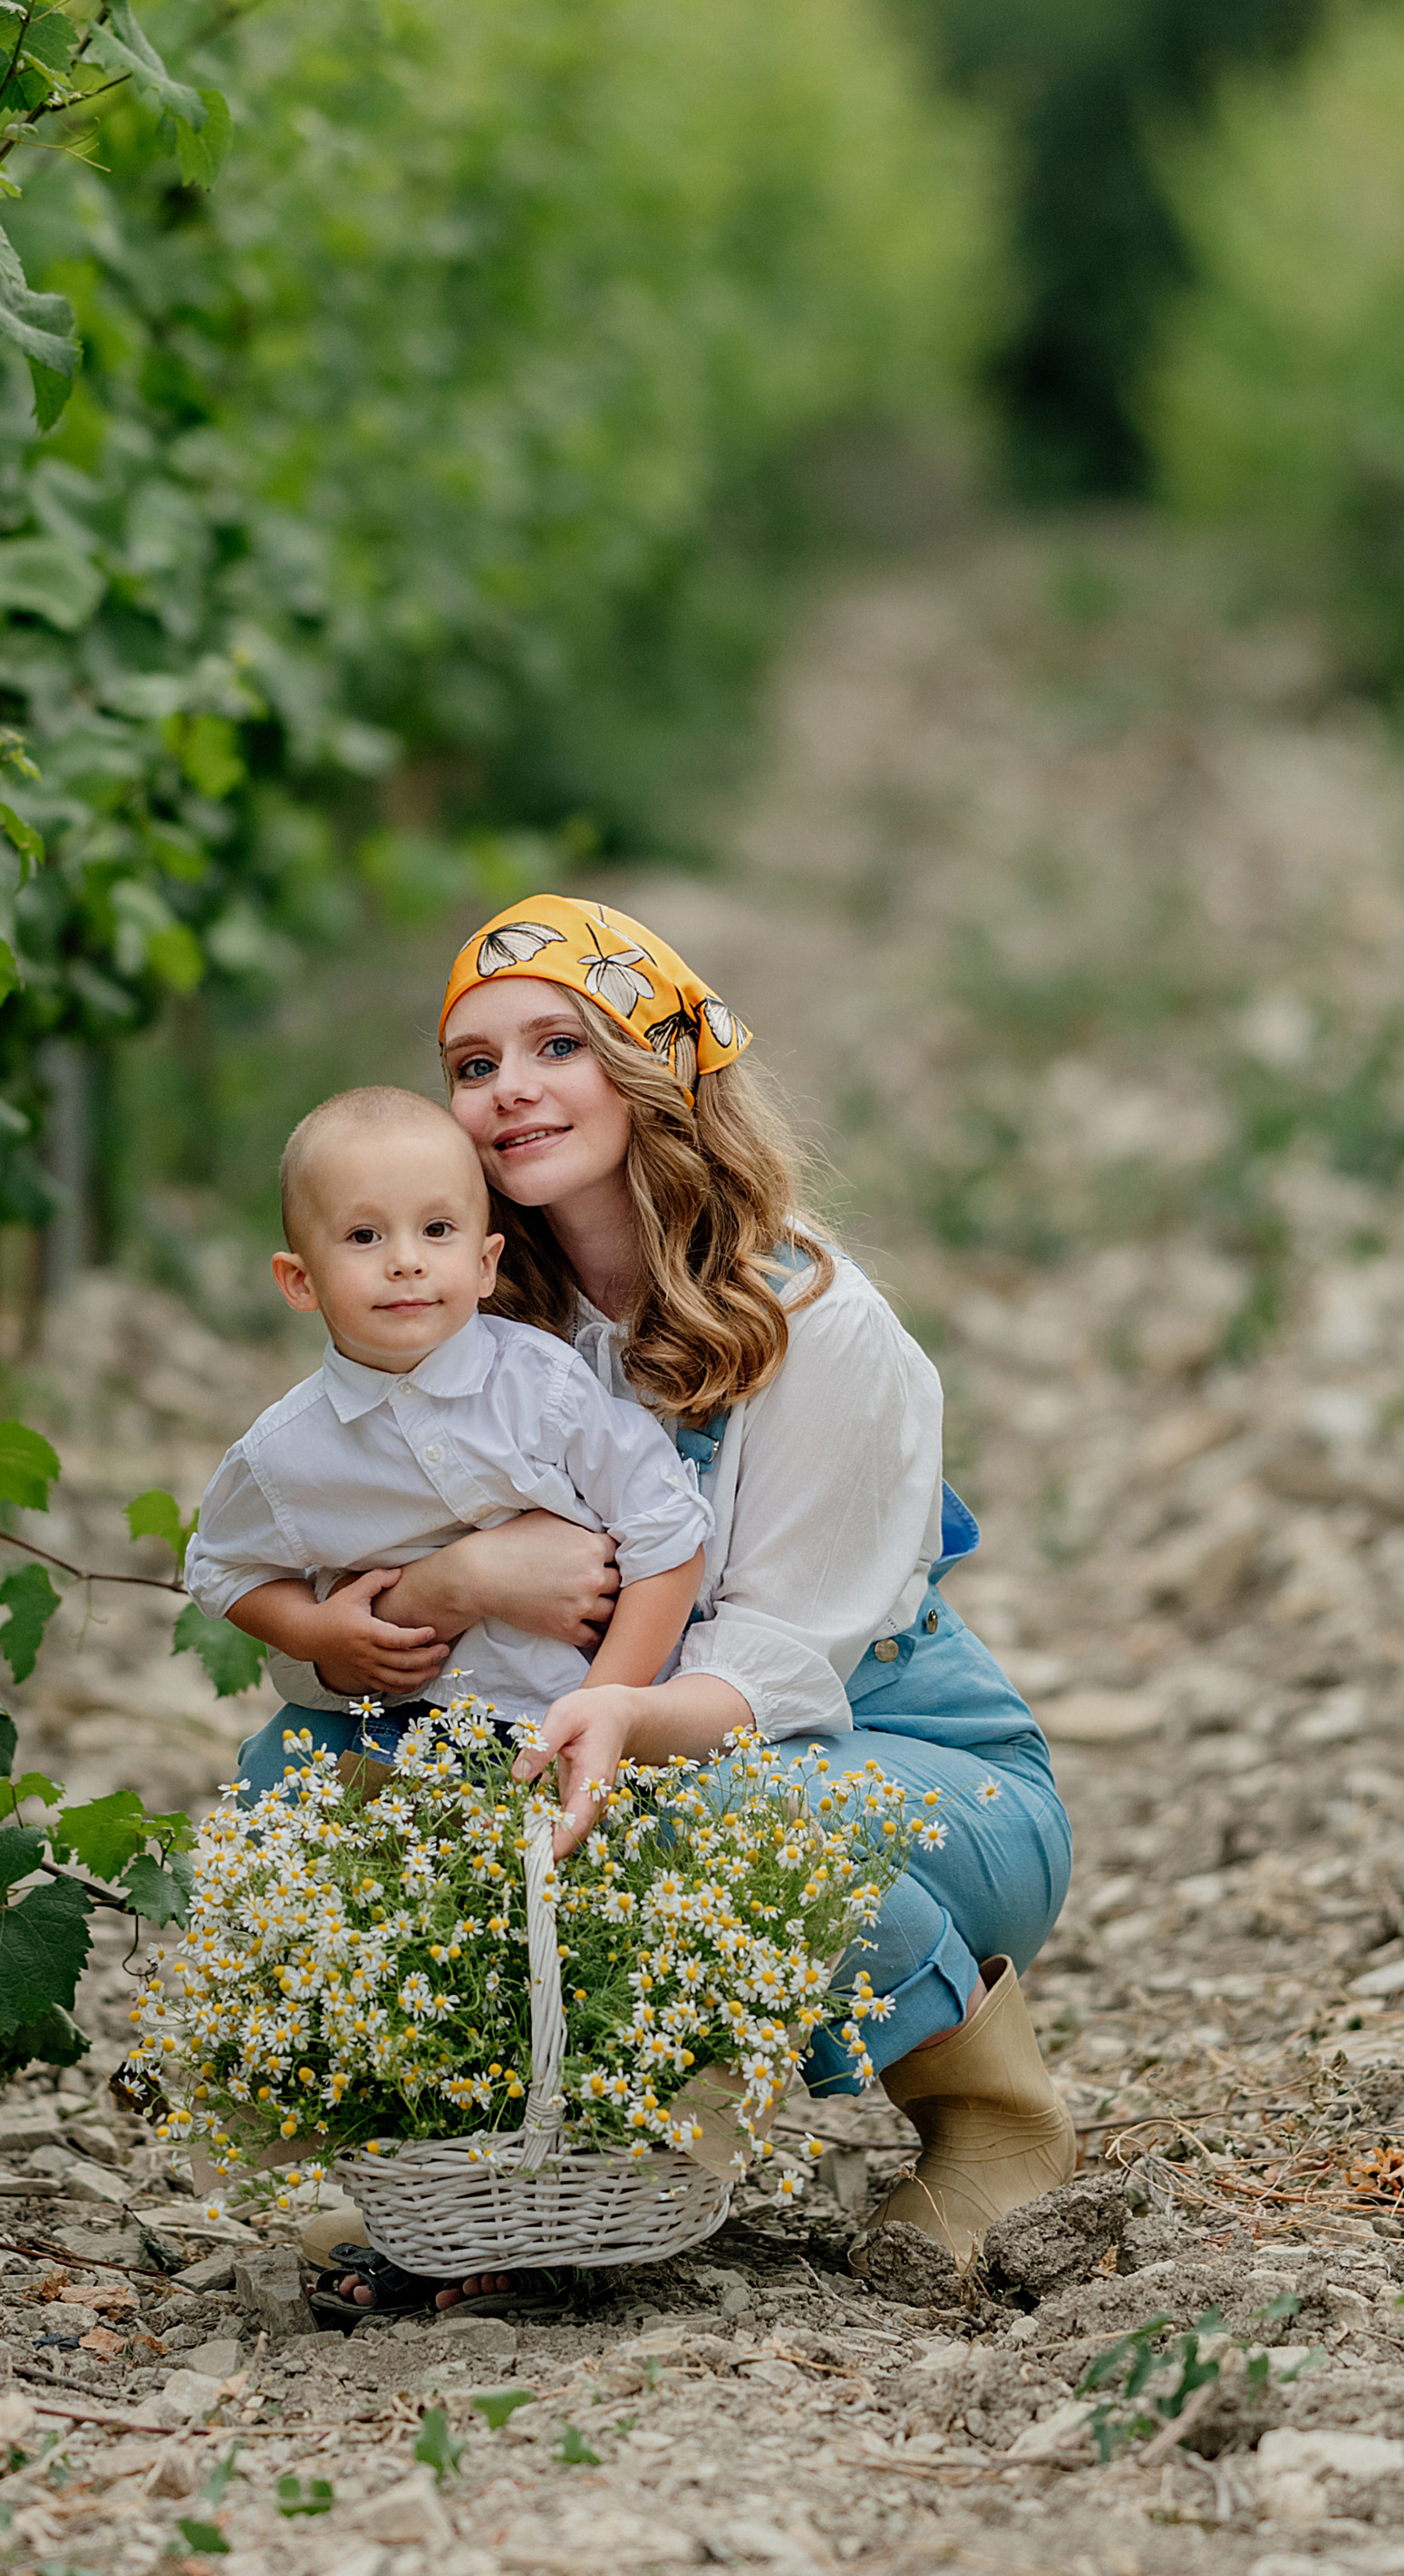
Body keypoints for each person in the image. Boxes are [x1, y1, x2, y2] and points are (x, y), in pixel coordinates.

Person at [236, 895, 1077, 2307]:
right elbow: (316, 1607)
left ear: (651, 1064)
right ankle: (505, 2156)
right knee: (311, 1773)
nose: (509, 1090)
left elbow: (777, 1671)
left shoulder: (817, 1323)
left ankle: (991, 2111)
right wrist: (452, 1584)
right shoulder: (467, 1309)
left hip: (911, 1783)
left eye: (555, 1043)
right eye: (473, 1064)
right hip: (608, 1737)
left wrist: (608, 1708)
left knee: (692, 1804)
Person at [185, 1083, 712, 1741]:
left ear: (485, 1262)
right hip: (421, 1739)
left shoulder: (541, 1387)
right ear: (301, 1281)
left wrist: (604, 1708)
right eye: (364, 1235)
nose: (406, 1263)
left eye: (437, 1230)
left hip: (608, 1711)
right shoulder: (282, 1454)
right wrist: (314, 1631)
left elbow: (665, 1528)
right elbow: (221, 1565)